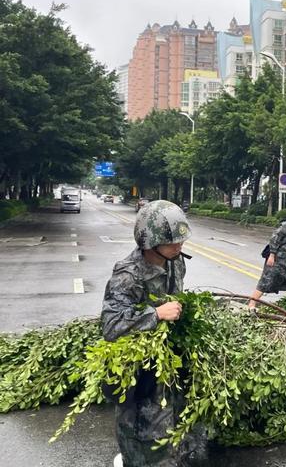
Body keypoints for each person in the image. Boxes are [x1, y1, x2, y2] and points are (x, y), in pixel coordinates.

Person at [102, 200, 206, 467]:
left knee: (178, 420)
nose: (180, 246)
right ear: (151, 241)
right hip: (139, 367)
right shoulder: (128, 274)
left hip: (167, 358)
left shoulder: (175, 262)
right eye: (173, 242)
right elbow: (111, 326)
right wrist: (157, 314)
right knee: (141, 426)